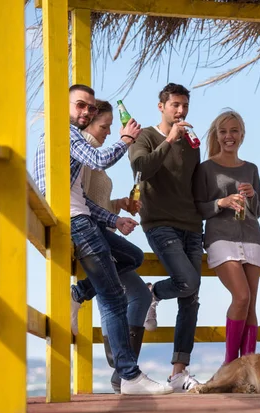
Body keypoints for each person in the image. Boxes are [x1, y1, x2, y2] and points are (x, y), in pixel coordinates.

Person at [32, 84, 171, 395]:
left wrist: (114, 219)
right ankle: (129, 377)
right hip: (75, 223)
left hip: (81, 217)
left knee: (132, 257)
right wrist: (126, 139)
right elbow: (99, 160)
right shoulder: (64, 133)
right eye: (81, 106)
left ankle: (77, 293)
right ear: (63, 106)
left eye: (90, 108)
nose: (86, 112)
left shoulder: (68, 139)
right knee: (113, 297)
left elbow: (79, 197)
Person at [68, 99, 152, 393]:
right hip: (91, 235)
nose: (107, 132)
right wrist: (114, 218)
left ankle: (124, 374)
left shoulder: (90, 154)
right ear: (88, 125)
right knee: (124, 297)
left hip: (102, 230)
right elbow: (83, 202)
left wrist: (118, 209)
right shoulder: (85, 153)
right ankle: (125, 374)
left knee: (133, 287)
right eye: (103, 127)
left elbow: (92, 199)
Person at [128, 83, 203, 392]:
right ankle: (152, 292)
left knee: (191, 297)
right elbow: (141, 168)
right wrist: (169, 140)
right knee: (188, 281)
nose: (181, 111)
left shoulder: (193, 143)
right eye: (175, 105)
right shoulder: (145, 136)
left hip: (192, 225)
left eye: (184, 105)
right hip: (159, 223)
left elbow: (197, 187)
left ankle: (178, 372)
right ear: (161, 107)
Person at [196, 109, 260, 364]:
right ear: (217, 135)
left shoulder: (251, 169)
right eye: (223, 131)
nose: (229, 136)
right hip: (220, 238)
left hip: (252, 238)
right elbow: (197, 207)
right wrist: (221, 202)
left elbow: (259, 210)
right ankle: (230, 364)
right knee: (242, 297)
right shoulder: (206, 169)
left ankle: (247, 368)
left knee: (251, 306)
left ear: (242, 135)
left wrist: (253, 196)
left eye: (234, 131)